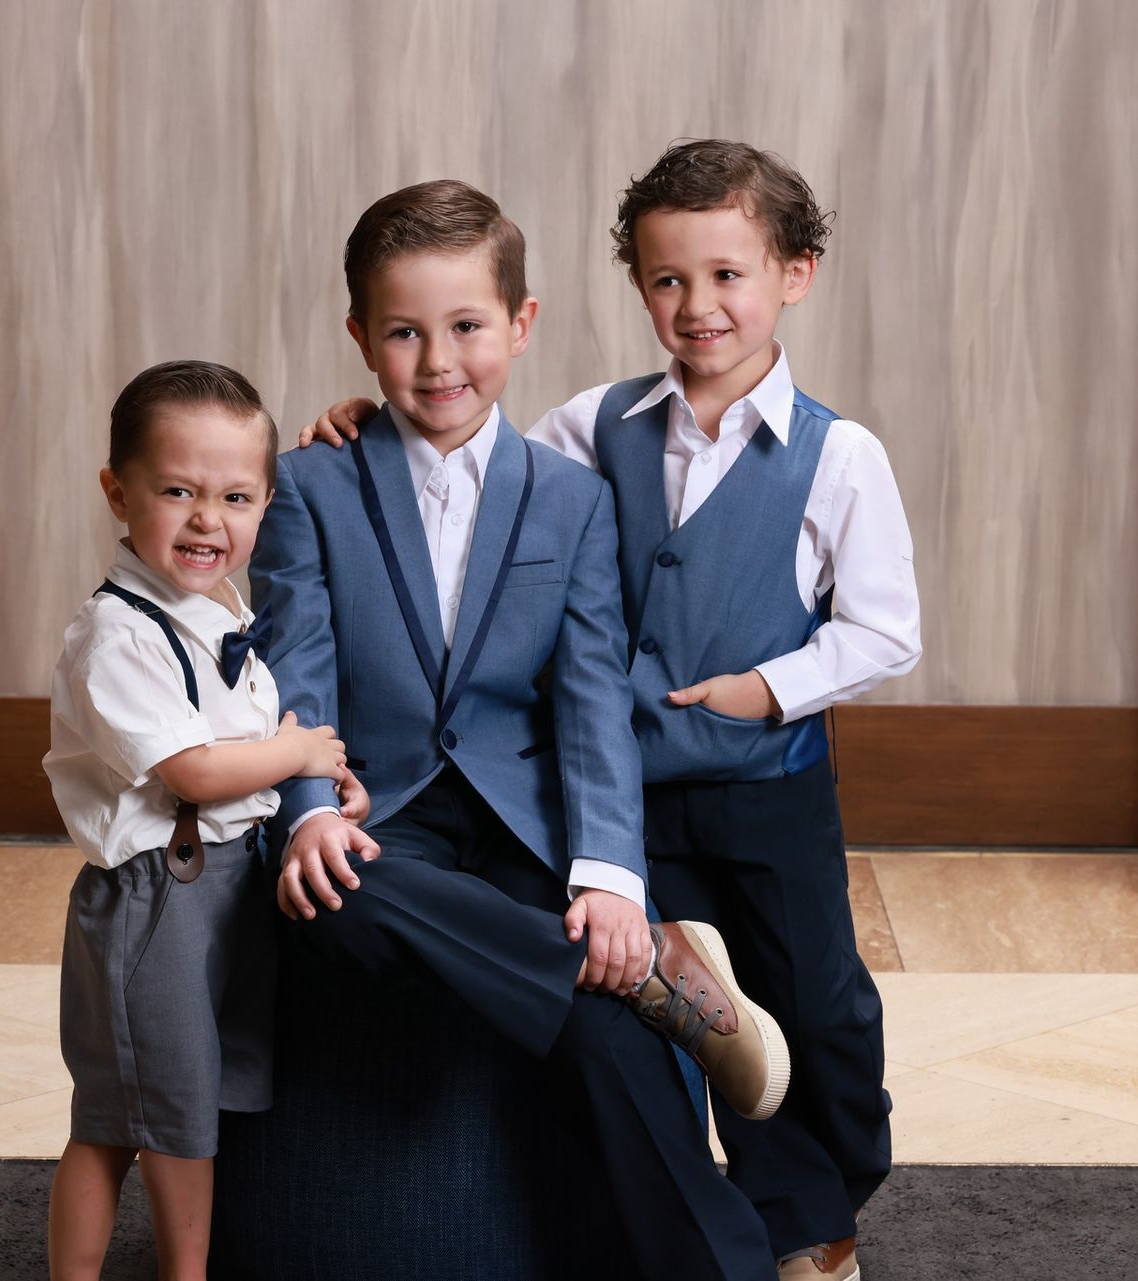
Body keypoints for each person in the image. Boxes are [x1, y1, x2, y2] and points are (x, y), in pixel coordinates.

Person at [304, 140, 922, 1281]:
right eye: (668, 281)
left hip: (762, 783)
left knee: (814, 996)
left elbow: (885, 627)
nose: (698, 307)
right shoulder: (594, 426)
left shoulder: (840, 457)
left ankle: (824, 1202)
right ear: (639, 289)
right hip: (628, 784)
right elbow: (467, 475)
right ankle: (765, 1198)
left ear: (797, 274)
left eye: (728, 275)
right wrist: (368, 422)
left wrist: (765, 689)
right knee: (656, 1001)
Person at [251, 178, 785, 1280]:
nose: (438, 361)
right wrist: (305, 811)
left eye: (466, 328)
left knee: (603, 1027)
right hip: (373, 812)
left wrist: (609, 878)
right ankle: (655, 975)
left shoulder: (570, 499)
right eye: (403, 333)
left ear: (521, 324)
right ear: (360, 338)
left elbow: (591, 700)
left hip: (524, 818)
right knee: (335, 901)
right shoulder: (308, 486)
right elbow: (296, 669)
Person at [42, 361, 361, 1281]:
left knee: (182, 1107)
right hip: (155, 904)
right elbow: (196, 768)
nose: (207, 519)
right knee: (134, 1121)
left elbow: (248, 739)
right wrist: (302, 754)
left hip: (225, 886)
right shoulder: (119, 633)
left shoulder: (212, 606)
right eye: (177, 491)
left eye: (235, 496)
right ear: (118, 492)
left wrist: (322, 779)